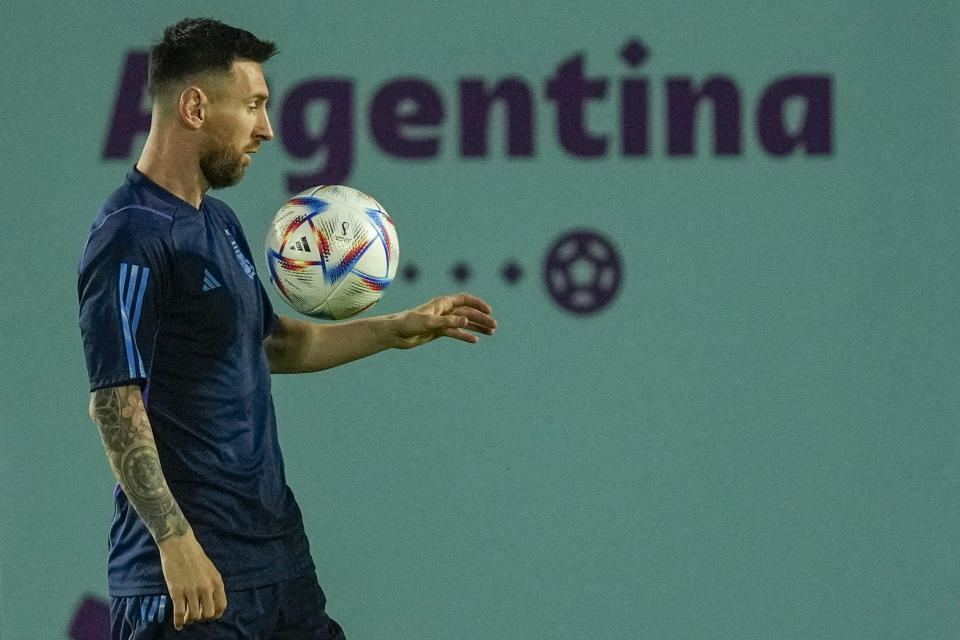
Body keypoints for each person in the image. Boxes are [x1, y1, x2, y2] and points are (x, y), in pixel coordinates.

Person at [78, 18, 497, 639]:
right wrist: (175, 543)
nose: (267, 129)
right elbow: (115, 404)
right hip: (190, 582)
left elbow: (273, 342)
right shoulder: (130, 235)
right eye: (253, 105)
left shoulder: (217, 221)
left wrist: (400, 327)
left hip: (274, 559)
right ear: (195, 105)